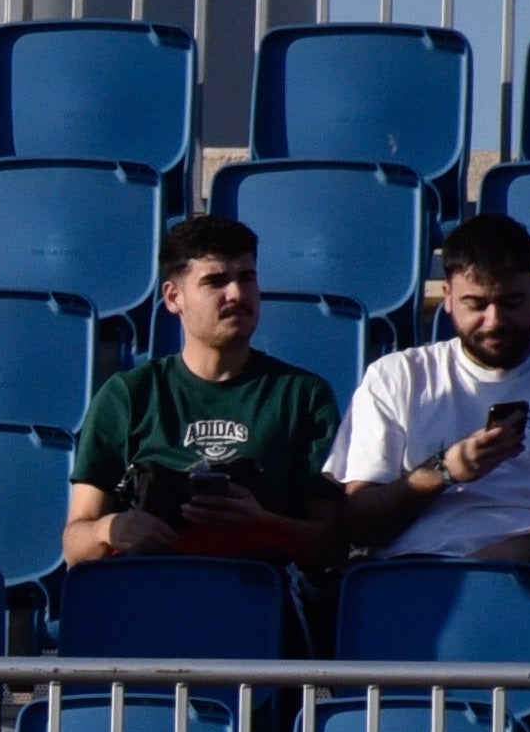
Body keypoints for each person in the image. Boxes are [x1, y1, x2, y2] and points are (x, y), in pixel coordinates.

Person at [330, 211, 530, 661]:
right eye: (476, 303)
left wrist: (522, 548)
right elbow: (359, 521)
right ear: (446, 297)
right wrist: (444, 470)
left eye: (511, 302)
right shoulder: (397, 377)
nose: (493, 320)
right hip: (419, 576)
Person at [64, 215, 345, 577]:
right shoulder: (128, 395)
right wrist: (112, 529)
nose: (237, 295)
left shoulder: (302, 395)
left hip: (259, 601)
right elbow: (74, 544)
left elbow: (332, 545)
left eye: (247, 278)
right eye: (215, 281)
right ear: (173, 297)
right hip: (149, 597)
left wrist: (262, 522)